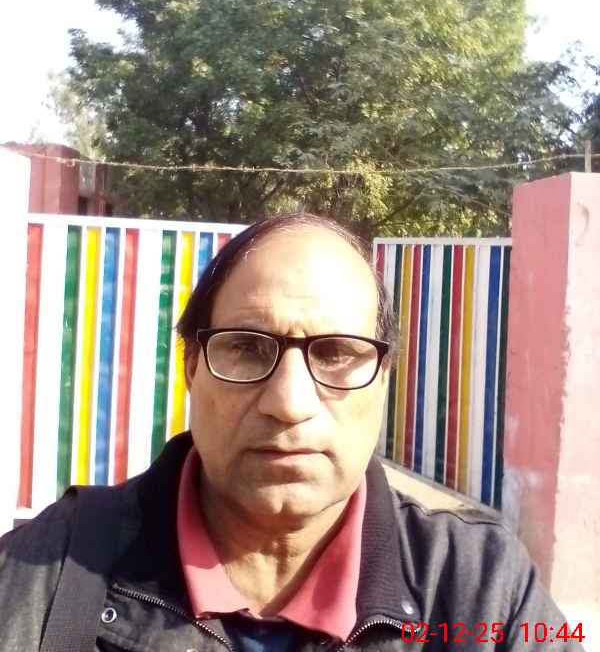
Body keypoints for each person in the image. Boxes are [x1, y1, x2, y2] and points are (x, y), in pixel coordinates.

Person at [0, 213, 585, 651]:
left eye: (336, 353)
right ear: (192, 368)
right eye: (247, 348)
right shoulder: (46, 576)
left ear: (383, 379)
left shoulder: (481, 593)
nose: (288, 403)